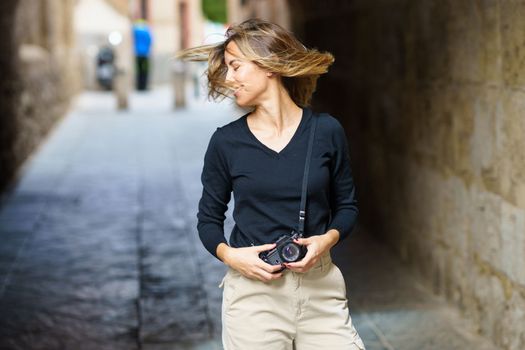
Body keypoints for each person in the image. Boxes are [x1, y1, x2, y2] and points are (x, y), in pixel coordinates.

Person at [177, 18, 366, 350]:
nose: (229, 77)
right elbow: (208, 220)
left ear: (269, 66)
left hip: (320, 288)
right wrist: (231, 257)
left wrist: (325, 241)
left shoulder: (326, 132)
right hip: (253, 296)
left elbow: (347, 207)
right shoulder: (226, 143)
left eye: (236, 66)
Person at [132, 19, 152, 90]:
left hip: (137, 53)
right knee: (145, 70)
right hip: (145, 54)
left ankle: (139, 86)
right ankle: (144, 86)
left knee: (138, 70)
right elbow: (150, 41)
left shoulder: (135, 31)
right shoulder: (146, 31)